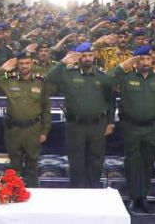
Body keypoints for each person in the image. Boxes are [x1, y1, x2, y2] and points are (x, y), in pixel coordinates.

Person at [47, 42, 115, 188]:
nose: (88, 58)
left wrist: (110, 122)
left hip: (98, 125)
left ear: (94, 56)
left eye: (90, 55)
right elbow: (49, 78)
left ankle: (93, 191)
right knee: (76, 161)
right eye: (84, 56)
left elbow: (110, 99)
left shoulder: (102, 75)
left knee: (96, 161)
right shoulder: (68, 73)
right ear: (78, 57)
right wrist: (63, 62)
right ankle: (78, 193)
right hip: (75, 125)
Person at [0, 51, 51, 187]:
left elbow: (46, 108)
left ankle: (32, 193)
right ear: (17, 65)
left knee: (32, 165)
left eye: (27, 63)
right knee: (14, 166)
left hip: (33, 129)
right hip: (13, 130)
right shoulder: (9, 80)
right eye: (21, 63)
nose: (24, 66)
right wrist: (2, 69)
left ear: (32, 64)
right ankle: (14, 194)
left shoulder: (40, 82)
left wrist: (45, 131)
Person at [111, 45, 155, 213]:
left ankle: (144, 196)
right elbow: (107, 80)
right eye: (141, 59)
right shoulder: (126, 78)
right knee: (132, 163)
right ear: (135, 61)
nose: (146, 62)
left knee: (148, 162)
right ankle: (134, 197)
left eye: (148, 59)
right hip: (131, 127)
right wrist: (124, 65)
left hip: (152, 128)